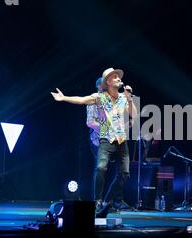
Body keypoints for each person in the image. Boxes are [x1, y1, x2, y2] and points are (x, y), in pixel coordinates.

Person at [51, 67, 137, 212]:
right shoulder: (99, 97)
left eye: (118, 76)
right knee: (100, 168)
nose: (118, 78)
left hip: (121, 140)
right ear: (108, 82)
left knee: (124, 173)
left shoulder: (123, 98)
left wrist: (129, 98)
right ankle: (97, 200)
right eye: (114, 77)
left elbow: (134, 114)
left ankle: (107, 200)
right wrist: (64, 97)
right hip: (104, 139)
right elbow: (82, 100)